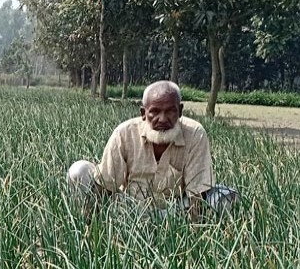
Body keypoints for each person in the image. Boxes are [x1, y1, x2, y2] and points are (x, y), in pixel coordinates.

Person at [67, 80, 240, 221]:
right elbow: (106, 184)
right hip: (128, 209)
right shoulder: (125, 133)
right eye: (155, 112)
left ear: (180, 111)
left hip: (175, 212)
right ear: (143, 113)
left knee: (225, 197)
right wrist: (94, 226)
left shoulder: (195, 133)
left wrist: (192, 237)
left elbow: (198, 193)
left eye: (170, 111)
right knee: (79, 171)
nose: (162, 119)